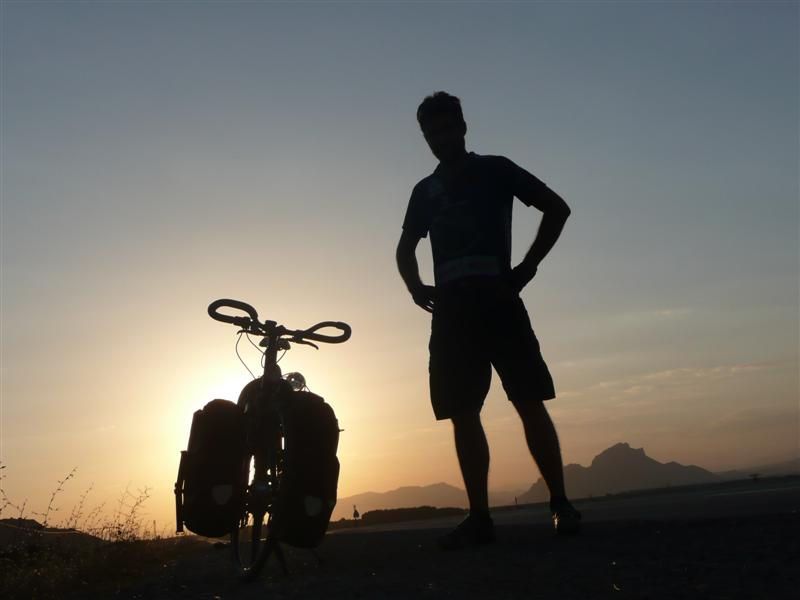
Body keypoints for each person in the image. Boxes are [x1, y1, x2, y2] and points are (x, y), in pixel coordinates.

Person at [396, 91, 581, 550]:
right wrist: (416, 287)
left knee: (529, 399)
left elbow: (557, 208)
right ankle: (480, 517)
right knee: (463, 413)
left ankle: (560, 503)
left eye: (446, 128)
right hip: (453, 314)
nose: (439, 138)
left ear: (462, 127)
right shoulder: (424, 191)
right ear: (425, 137)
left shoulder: (495, 169)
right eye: (430, 133)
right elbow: (404, 248)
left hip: (500, 302)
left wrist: (527, 267)